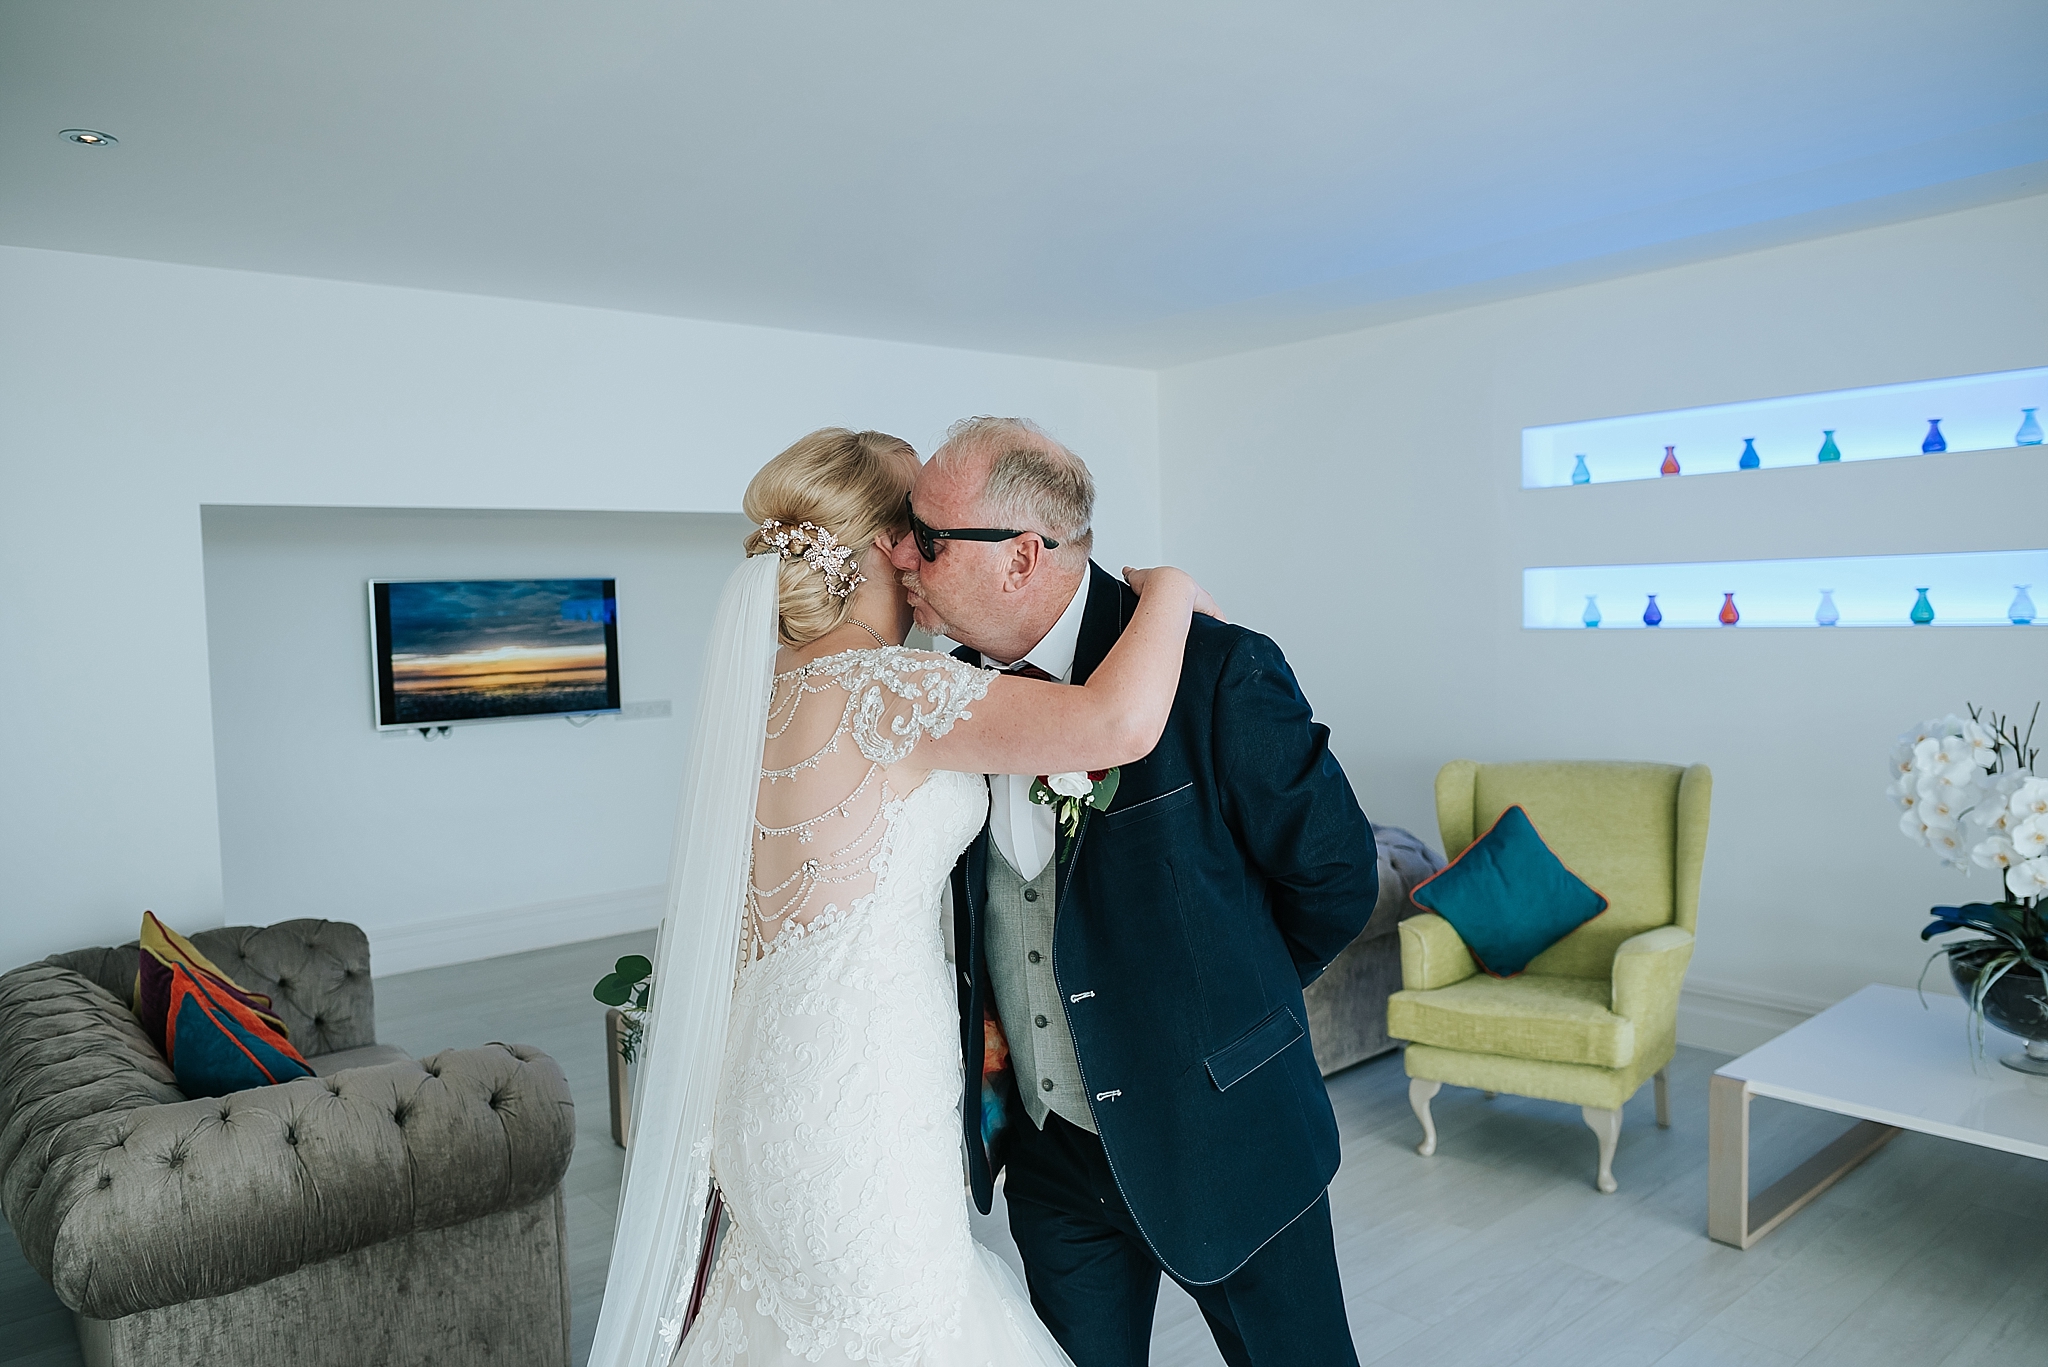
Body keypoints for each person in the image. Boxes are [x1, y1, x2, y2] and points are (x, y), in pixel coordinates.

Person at [589, 427, 1221, 1367]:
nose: (932, 548)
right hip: (863, 1086)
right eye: (922, 526)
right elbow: (1116, 722)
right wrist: (1168, 592)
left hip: (763, 1078)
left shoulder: (762, 695)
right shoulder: (885, 688)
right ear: (890, 547)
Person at [888, 418, 1378, 1367]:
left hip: (1227, 1134)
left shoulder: (1216, 668)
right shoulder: (947, 696)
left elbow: (1339, 877)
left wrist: (1235, 1002)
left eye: (930, 538)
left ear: (1023, 557)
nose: (904, 554)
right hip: (1045, 1150)